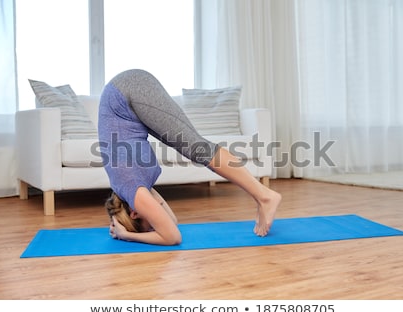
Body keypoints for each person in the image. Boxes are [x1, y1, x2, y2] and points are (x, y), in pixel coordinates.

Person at [98, 69, 281, 245]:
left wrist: (128, 236)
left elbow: (172, 237)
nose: (154, 226)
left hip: (127, 90)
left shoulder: (132, 188)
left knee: (197, 148)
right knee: (195, 149)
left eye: (149, 226)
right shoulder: (131, 190)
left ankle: (265, 196)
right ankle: (262, 196)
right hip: (125, 99)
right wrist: (123, 222)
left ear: (135, 214)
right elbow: (172, 221)